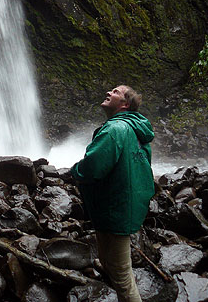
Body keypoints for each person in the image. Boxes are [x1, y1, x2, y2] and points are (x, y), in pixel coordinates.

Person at [71, 85, 155, 302]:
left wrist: (74, 171)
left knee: (122, 275)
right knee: (107, 262)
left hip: (116, 207)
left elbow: (94, 166)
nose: (108, 92)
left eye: (116, 92)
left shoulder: (115, 129)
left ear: (125, 104)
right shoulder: (135, 130)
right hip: (122, 204)